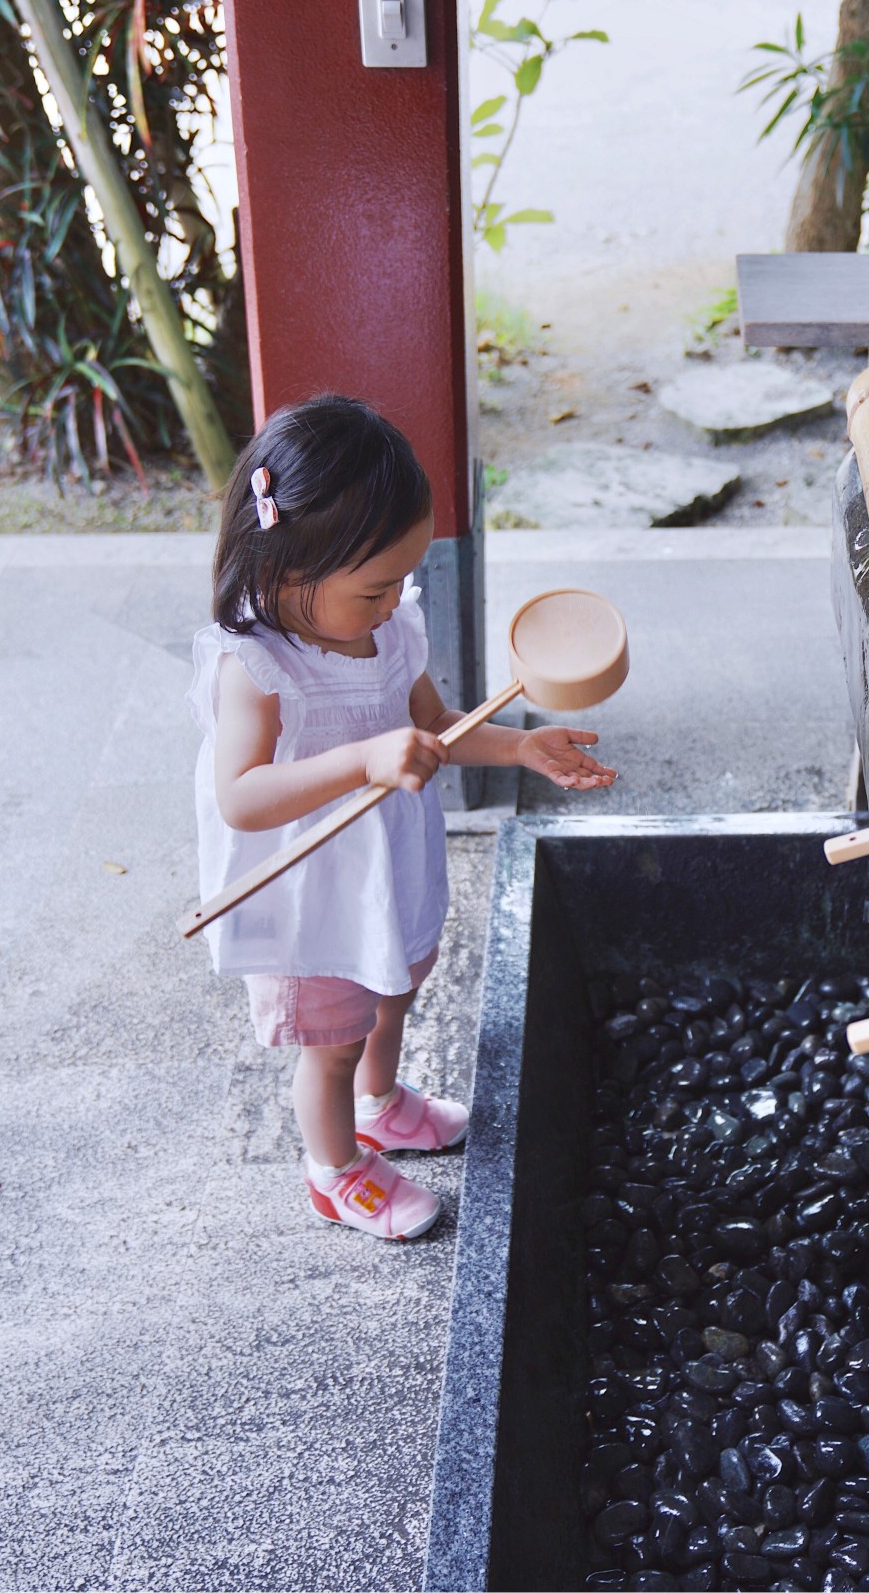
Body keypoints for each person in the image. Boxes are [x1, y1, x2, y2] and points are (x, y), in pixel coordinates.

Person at [188, 394, 615, 1239]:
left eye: (400, 582)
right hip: (312, 891)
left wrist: (521, 749)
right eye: (374, 588)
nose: (392, 604)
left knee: (394, 995)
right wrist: (362, 760)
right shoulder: (258, 667)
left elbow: (437, 729)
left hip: (387, 865)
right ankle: (333, 1168)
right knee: (333, 1040)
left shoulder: (393, 629)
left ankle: (380, 1107)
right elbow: (241, 797)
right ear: (285, 573)